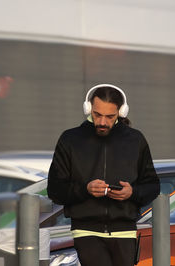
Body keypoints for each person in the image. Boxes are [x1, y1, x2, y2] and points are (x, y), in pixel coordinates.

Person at [47, 84, 160, 266]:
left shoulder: (135, 140)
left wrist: (132, 193)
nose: (102, 122)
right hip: (86, 230)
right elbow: (55, 189)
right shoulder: (70, 139)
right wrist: (86, 190)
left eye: (109, 116)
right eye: (97, 114)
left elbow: (152, 185)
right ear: (88, 108)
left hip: (125, 231)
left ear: (121, 112)